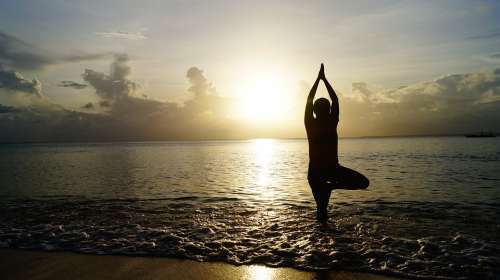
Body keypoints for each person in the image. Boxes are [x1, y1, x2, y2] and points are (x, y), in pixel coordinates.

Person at [305, 63, 369, 222]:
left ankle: (321, 236)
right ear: (327, 110)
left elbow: (311, 99)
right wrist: (323, 80)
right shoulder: (327, 122)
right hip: (324, 171)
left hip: (323, 171)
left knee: (321, 208)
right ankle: (323, 236)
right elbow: (335, 99)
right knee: (362, 183)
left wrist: (318, 80)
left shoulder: (312, 123)